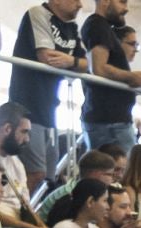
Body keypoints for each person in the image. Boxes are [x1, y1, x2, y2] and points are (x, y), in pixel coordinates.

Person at [8, 0, 85, 191]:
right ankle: (21, 215)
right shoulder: (38, 13)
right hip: (27, 107)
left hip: (49, 111)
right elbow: (47, 57)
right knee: (36, 173)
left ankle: (35, 217)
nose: (80, 5)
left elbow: (89, 64)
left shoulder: (71, 27)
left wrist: (71, 60)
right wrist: (75, 62)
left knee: (51, 176)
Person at [80, 0, 141, 151]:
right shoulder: (97, 25)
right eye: (122, 2)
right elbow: (99, 69)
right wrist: (131, 77)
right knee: (117, 171)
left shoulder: (102, 28)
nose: (126, 9)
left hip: (112, 120)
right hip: (109, 121)